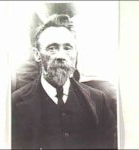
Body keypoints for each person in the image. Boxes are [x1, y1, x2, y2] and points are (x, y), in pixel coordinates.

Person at [12, 14, 117, 149]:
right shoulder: (15, 105)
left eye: (67, 48)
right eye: (52, 48)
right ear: (37, 55)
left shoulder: (99, 101)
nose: (61, 56)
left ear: (75, 54)